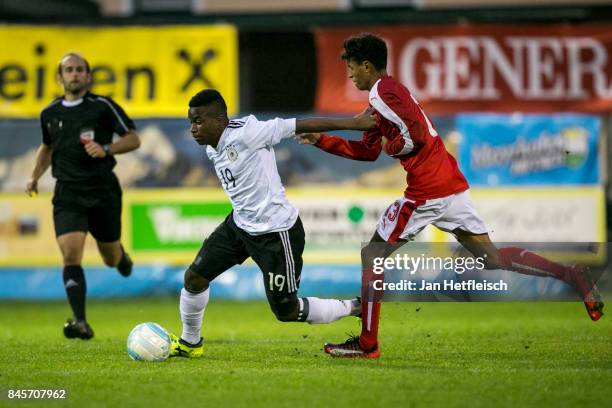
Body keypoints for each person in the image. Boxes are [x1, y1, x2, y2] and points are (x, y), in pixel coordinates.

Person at [297, 33, 604, 359]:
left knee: (373, 255)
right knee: (491, 258)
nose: (349, 74)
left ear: (368, 66)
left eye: (352, 67)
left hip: (427, 192)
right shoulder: (389, 95)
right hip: (449, 185)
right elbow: (368, 152)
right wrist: (322, 141)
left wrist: (395, 146)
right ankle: (571, 274)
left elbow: (413, 136)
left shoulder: (382, 95)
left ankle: (368, 343)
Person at [169, 89, 375, 358]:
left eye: (198, 121)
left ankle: (356, 307)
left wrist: (353, 123)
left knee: (287, 311)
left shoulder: (249, 132)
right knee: (194, 278)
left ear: (219, 120)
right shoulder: (212, 146)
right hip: (240, 226)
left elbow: (297, 125)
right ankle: (190, 344)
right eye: (190, 122)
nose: (193, 129)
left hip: (277, 233)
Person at [26, 52, 140, 340]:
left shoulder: (102, 107)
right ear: (60, 77)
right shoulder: (49, 113)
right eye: (69, 70)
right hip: (68, 193)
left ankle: (121, 257)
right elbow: (47, 148)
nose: (74, 74)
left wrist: (106, 149)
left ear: (88, 76)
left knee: (110, 258)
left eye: (79, 70)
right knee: (71, 255)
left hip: (102, 191)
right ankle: (80, 322)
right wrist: (34, 176)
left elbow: (133, 138)